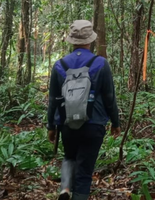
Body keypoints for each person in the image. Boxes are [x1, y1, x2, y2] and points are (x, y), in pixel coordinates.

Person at [48, 19, 119, 200]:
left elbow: (54, 99)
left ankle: (65, 188)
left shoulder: (59, 65)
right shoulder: (101, 63)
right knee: (85, 171)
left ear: (72, 40)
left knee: (69, 157)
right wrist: (115, 122)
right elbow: (109, 97)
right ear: (90, 40)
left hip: (67, 123)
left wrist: (51, 126)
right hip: (93, 124)